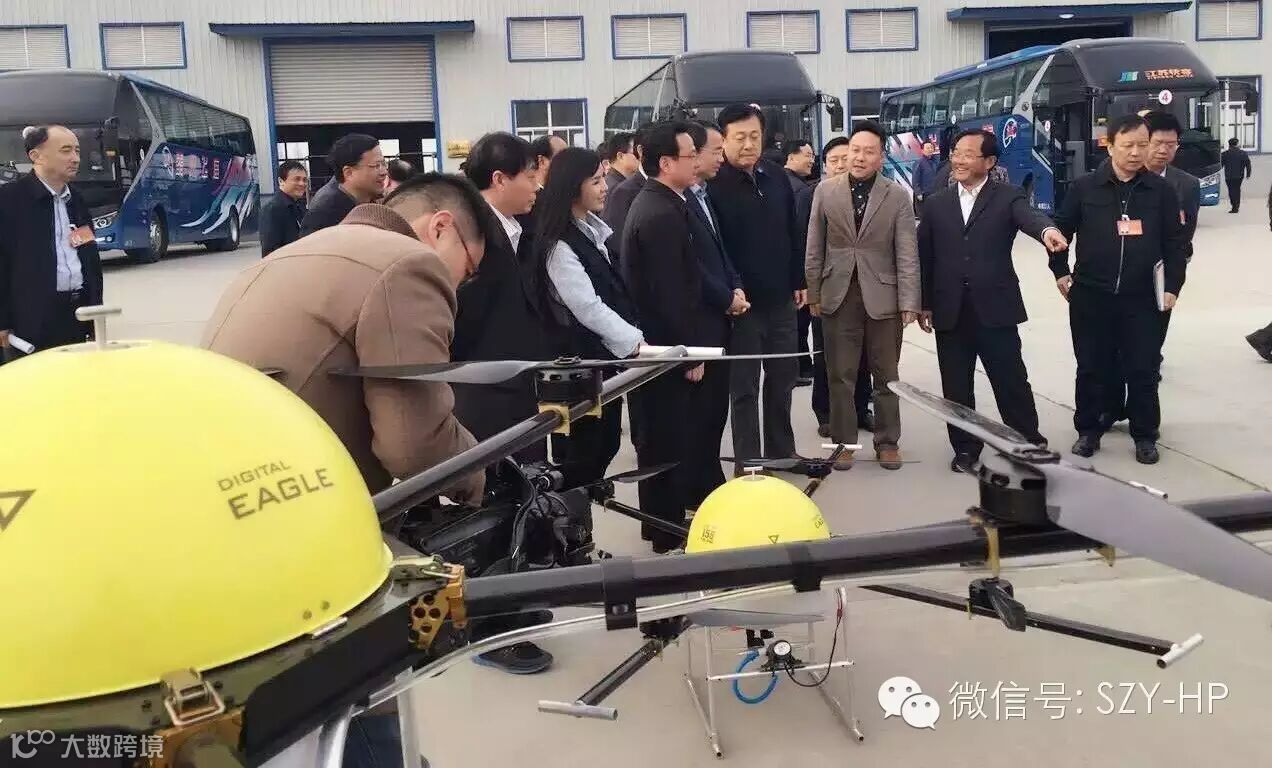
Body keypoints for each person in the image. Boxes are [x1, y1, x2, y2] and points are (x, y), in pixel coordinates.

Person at [201, 173, 494, 768]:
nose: (462, 285)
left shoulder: (295, 254)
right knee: (357, 701)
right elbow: (415, 446)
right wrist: (483, 475)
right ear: (441, 228)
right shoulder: (408, 266)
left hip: (230, 509)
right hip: (305, 527)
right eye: (469, 268)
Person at [456, 132, 556, 674]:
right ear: (499, 179)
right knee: (494, 506)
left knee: (523, 496)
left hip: (518, 385)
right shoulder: (470, 236)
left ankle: (513, 601)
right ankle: (489, 629)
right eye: (530, 177)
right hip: (485, 391)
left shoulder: (517, 228)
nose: (537, 187)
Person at [916, 129, 1068, 473]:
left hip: (995, 307)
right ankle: (965, 448)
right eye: (956, 153)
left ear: (989, 162)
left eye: (968, 155)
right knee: (956, 387)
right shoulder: (937, 203)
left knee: (1010, 380)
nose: (958, 160)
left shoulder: (1008, 196)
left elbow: (1030, 217)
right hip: (950, 309)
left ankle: (1027, 443)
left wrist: (1047, 232)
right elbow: (926, 256)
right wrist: (924, 302)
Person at [1049, 113, 1187, 464]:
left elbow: (1176, 243)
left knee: (1143, 368)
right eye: (1128, 145)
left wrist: (1172, 286)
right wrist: (1060, 272)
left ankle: (1145, 435)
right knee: (1092, 366)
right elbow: (1061, 231)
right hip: (1091, 295)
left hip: (1143, 297)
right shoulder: (1084, 188)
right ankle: (1089, 430)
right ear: (1109, 146)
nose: (1136, 153)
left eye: (1143, 145)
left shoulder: (1161, 191)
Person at [621, 120, 715, 552]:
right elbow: (670, 294)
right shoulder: (659, 213)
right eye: (690, 155)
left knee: (668, 438)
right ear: (665, 162)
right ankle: (665, 531)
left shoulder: (664, 203)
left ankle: (663, 524)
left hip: (663, 345)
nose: (696, 162)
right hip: (664, 349)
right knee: (665, 441)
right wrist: (688, 353)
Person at [805, 120, 920, 471]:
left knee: (886, 375)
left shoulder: (897, 195)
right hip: (837, 294)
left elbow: (907, 252)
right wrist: (814, 292)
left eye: (869, 152)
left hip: (884, 297)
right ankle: (843, 442)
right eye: (855, 150)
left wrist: (909, 301)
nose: (859, 157)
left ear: (881, 157)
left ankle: (888, 442)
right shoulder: (825, 191)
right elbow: (814, 245)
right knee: (840, 374)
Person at [532, 147, 644, 487]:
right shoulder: (559, 245)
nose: (604, 187)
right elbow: (587, 306)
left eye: (603, 179)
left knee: (605, 444)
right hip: (576, 371)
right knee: (582, 454)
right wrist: (634, 341)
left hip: (600, 363)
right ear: (572, 186)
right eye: (595, 181)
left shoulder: (591, 231)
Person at [707, 105, 805, 471]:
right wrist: (730, 293)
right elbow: (715, 248)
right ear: (723, 140)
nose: (749, 145)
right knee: (744, 388)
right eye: (740, 138)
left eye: (754, 136)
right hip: (742, 305)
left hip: (781, 300)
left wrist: (799, 279)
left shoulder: (775, 176)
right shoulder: (713, 185)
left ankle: (782, 452)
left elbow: (792, 231)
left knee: (783, 380)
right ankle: (749, 462)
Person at [1103, 110, 1200, 415]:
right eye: (1158, 143)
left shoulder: (1186, 185)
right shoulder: (1112, 177)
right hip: (1117, 278)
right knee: (1113, 349)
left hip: (1159, 278)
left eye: (1171, 144)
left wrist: (1173, 279)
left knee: (1149, 348)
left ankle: (1141, 411)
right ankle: (1112, 406)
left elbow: (1184, 234)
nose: (1163, 150)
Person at [0, 125, 103, 363]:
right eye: (66, 151)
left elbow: (90, 261)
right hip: (30, 319)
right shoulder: (9, 200)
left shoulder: (76, 200)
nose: (75, 158)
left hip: (76, 313)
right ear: (36, 156)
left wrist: (96, 312)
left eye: (77, 151)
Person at [686, 120, 748, 509]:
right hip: (700, 323)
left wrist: (735, 286)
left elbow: (721, 254)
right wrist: (726, 298)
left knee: (713, 415)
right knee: (699, 418)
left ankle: (709, 485)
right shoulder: (675, 203)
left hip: (721, 317)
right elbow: (692, 267)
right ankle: (699, 493)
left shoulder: (703, 196)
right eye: (715, 150)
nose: (721, 157)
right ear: (691, 155)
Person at [806, 137, 874, 439]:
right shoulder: (815, 196)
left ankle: (861, 409)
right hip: (827, 290)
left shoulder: (868, 196)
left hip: (863, 292)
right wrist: (809, 287)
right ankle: (826, 413)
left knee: (863, 357)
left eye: (846, 158)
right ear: (824, 166)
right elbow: (807, 245)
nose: (841, 164)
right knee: (827, 357)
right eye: (834, 160)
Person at [299, 134, 386, 236]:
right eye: (376, 166)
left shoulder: (371, 202)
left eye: (383, 164)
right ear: (349, 172)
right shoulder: (325, 214)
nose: (384, 172)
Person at [783, 138, 817, 385]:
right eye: (808, 155)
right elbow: (803, 236)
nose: (812, 160)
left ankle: (801, 366)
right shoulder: (800, 191)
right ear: (791, 157)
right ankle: (798, 368)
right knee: (799, 323)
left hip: (786, 268)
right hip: (799, 268)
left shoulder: (779, 183)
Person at [601, 122, 654, 265]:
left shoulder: (620, 183)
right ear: (620, 156)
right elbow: (616, 240)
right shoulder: (616, 188)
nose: (637, 156)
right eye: (633, 151)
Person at [259, 160, 308, 258]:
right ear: (281, 181)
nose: (302, 183)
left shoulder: (299, 206)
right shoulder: (273, 210)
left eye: (304, 180)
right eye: (297, 179)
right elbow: (270, 251)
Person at [1221, 137, 1252, 213]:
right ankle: (1236, 206)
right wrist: (1248, 174)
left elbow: (1221, 165)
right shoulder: (1243, 153)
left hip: (1229, 176)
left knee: (1231, 190)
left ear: (1229, 144)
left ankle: (1234, 206)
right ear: (1237, 144)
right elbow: (1248, 164)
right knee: (1237, 190)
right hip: (1239, 176)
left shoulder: (1225, 154)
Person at [911, 141, 941, 216]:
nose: (930, 149)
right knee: (925, 216)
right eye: (927, 148)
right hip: (924, 195)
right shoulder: (919, 163)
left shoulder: (936, 162)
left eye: (931, 148)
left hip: (934, 194)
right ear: (922, 150)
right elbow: (915, 179)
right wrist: (918, 193)